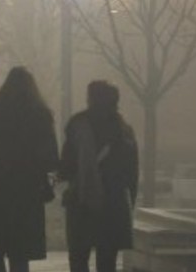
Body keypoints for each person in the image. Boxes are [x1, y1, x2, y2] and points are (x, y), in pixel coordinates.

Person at [0, 66, 58, 272]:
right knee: (20, 254)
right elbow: (52, 158)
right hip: (27, 190)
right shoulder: (41, 116)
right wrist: (44, 182)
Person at [58, 81, 139, 272]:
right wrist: (129, 203)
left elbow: (66, 167)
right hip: (113, 204)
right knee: (107, 261)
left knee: (78, 258)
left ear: (91, 98)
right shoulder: (125, 131)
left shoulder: (78, 124)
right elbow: (132, 174)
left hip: (82, 201)